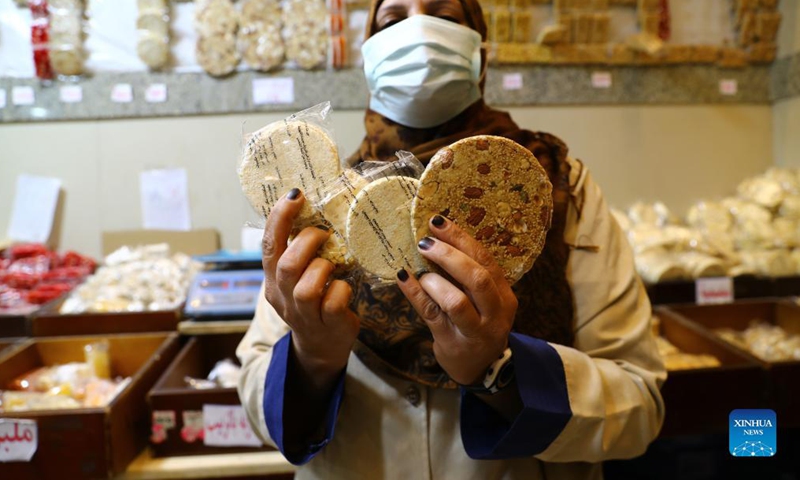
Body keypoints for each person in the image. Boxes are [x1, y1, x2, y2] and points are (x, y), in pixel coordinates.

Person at [237, 0, 667, 478]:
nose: (418, 29)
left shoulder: (556, 189)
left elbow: (639, 407)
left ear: (480, 49)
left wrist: (498, 369)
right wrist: (312, 356)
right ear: (370, 53)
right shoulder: (323, 202)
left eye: (443, 15)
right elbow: (257, 397)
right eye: (393, 20)